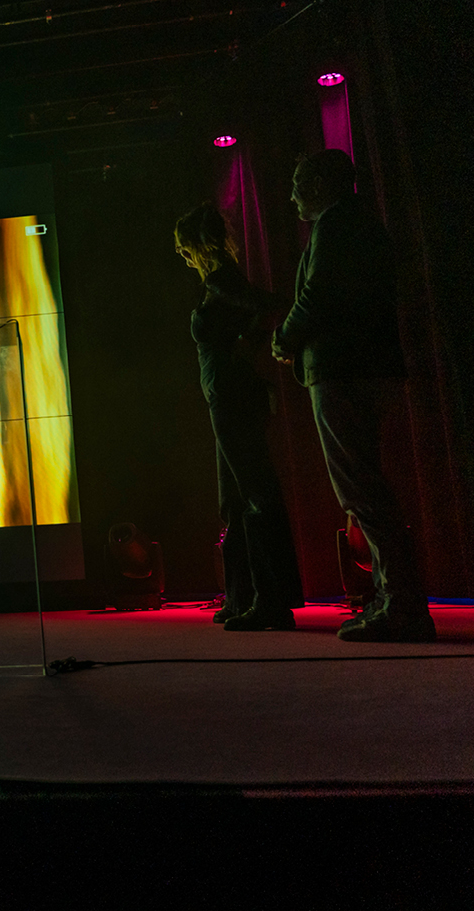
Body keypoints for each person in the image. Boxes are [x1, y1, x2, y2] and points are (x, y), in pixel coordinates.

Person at [271, 149, 436, 642]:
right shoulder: (362, 224)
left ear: (321, 186)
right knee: (367, 486)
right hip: (368, 369)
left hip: (342, 373)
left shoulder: (335, 225)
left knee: (360, 489)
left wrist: (284, 339)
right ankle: (393, 598)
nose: (292, 195)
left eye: (298, 184)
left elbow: (318, 295)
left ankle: (400, 604)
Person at [174, 203, 304, 631]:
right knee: (236, 499)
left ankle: (269, 601)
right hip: (227, 395)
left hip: (232, 396)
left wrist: (247, 347)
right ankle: (243, 595)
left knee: (252, 495)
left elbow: (270, 306)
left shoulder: (220, 280)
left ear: (198, 245)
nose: (180, 255)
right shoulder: (220, 280)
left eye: (183, 246)